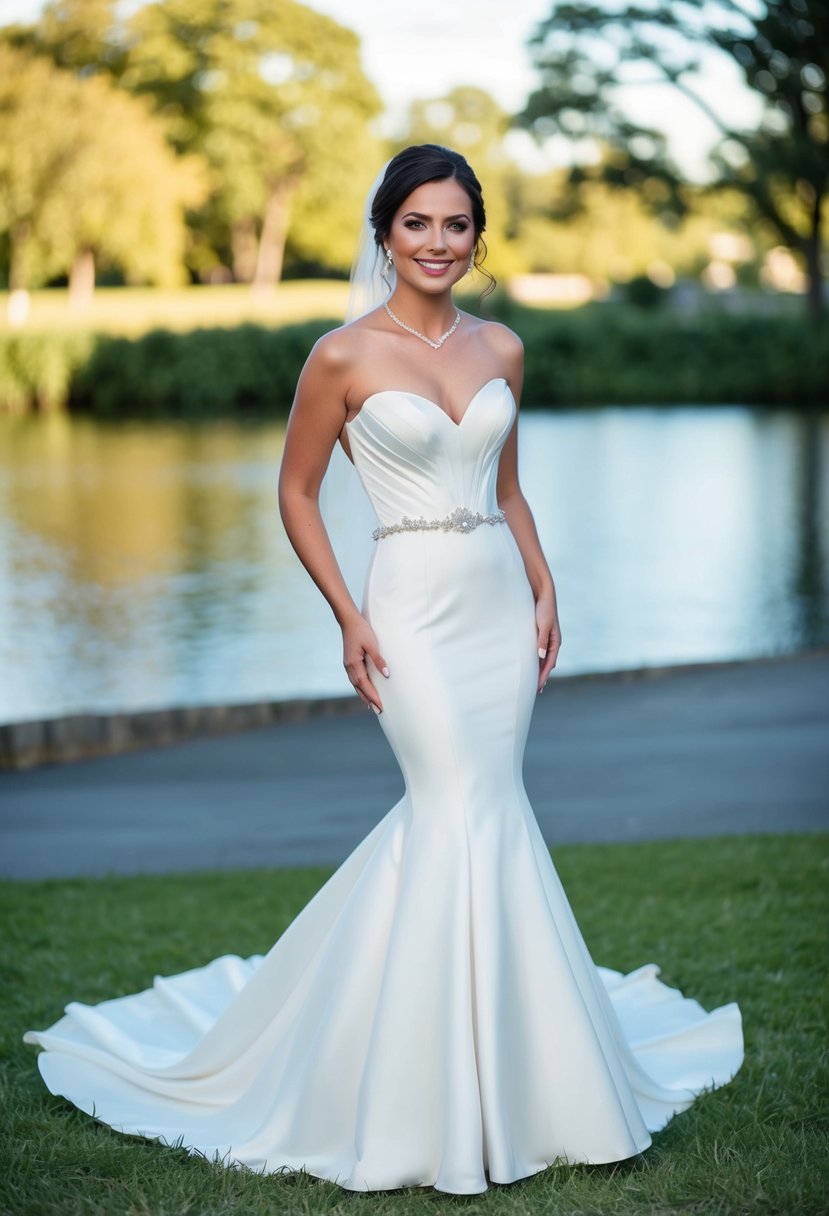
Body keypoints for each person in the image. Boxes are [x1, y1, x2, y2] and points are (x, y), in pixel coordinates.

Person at [24, 145, 743, 1195]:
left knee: (487, 810)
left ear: (477, 237)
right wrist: (347, 615)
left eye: (456, 225)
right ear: (385, 234)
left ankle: (520, 1074)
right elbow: (298, 493)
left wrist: (547, 588)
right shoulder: (341, 356)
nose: (438, 243)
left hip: (497, 602)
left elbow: (508, 488)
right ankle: (428, 1093)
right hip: (406, 606)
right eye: (418, 224)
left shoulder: (503, 347)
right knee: (450, 804)